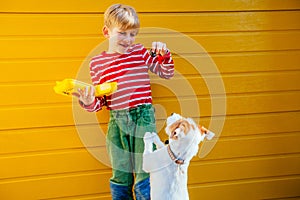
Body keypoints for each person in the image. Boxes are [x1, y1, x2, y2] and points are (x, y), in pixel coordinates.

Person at [74, 3, 174, 200]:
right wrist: (88, 101)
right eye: (122, 33)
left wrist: (164, 56)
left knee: (145, 170)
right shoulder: (97, 63)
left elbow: (167, 73)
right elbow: (100, 102)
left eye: (133, 34)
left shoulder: (140, 52)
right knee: (120, 174)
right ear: (106, 31)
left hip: (143, 118)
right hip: (116, 123)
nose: (128, 39)